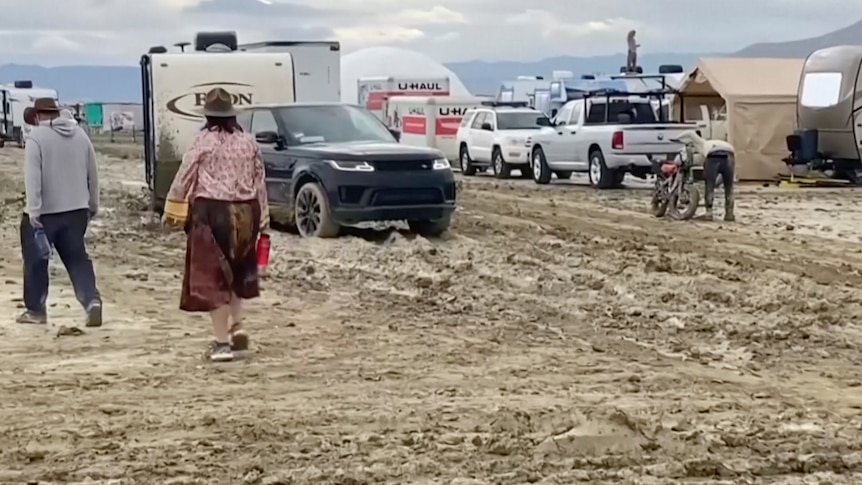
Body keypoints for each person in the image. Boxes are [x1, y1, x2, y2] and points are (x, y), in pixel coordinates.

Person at [162, 87, 269, 363]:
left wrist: (172, 209)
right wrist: (264, 219)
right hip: (247, 213)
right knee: (236, 272)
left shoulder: (202, 142)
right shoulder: (249, 142)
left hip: (212, 212)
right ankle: (238, 325)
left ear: (208, 116)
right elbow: (260, 182)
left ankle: (221, 344)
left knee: (214, 279)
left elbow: (185, 176)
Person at [19, 98, 102, 326]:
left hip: (45, 214)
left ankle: (36, 310)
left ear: (37, 116)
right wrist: (92, 205)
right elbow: (92, 174)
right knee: (77, 258)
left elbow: (33, 178)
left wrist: (33, 211)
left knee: (36, 262)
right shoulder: (81, 135)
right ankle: (91, 300)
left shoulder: (36, 137)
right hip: (76, 211)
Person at [674, 130, 736, 221]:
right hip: (730, 154)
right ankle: (729, 214)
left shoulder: (703, 145)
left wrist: (676, 138)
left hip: (713, 155)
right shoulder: (717, 142)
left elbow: (690, 134)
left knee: (709, 185)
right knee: (729, 187)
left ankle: (709, 213)